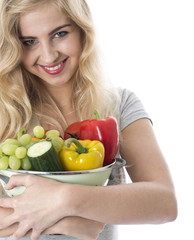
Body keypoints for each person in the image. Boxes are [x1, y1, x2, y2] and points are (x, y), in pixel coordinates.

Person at [0, 0, 177, 239]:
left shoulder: (120, 105)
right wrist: (74, 221)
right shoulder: (5, 111)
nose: (49, 55)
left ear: (82, 30)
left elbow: (163, 203)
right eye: (29, 42)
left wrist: (66, 198)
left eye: (60, 34)